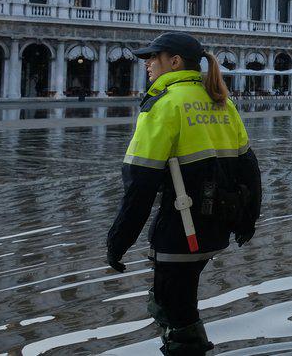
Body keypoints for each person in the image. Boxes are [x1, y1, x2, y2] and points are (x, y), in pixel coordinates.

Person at [106, 32, 262, 355]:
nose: (148, 63)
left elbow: (140, 184)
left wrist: (118, 241)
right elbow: (250, 170)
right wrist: (247, 222)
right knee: (180, 306)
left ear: (174, 62)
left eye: (154, 57)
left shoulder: (164, 104)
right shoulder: (222, 102)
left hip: (180, 232)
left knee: (171, 311)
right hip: (215, 228)